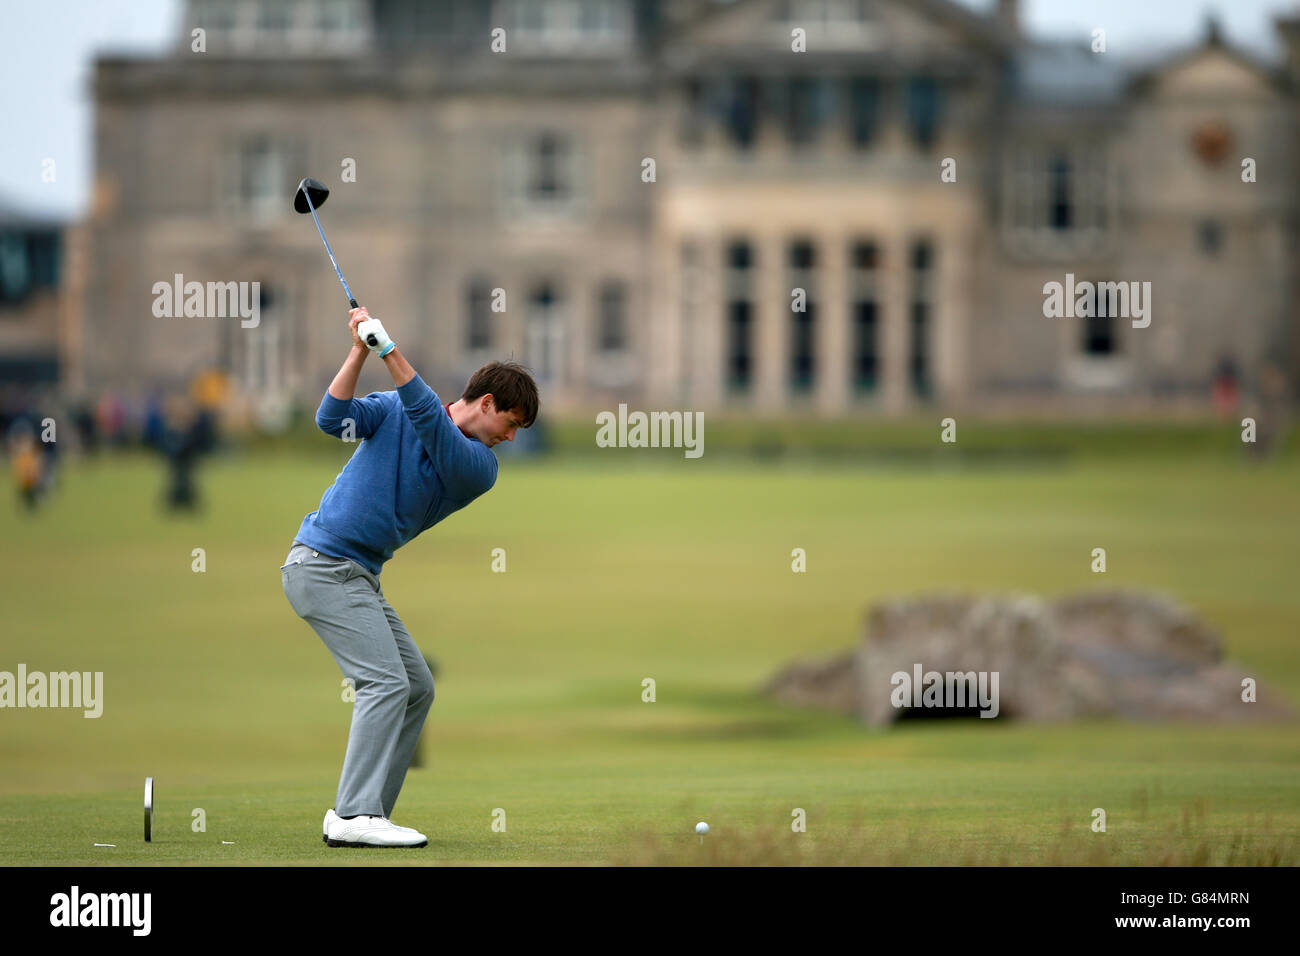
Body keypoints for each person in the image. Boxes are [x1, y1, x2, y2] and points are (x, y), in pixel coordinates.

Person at [281, 306, 538, 848]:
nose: (512, 439)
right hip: (322, 567)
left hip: (357, 577)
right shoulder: (397, 409)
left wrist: (388, 351)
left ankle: (367, 811)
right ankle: (353, 815)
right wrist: (360, 351)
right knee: (385, 682)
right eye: (511, 424)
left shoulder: (477, 466)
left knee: (416, 685)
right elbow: (333, 419)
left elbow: (431, 422)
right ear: (488, 403)